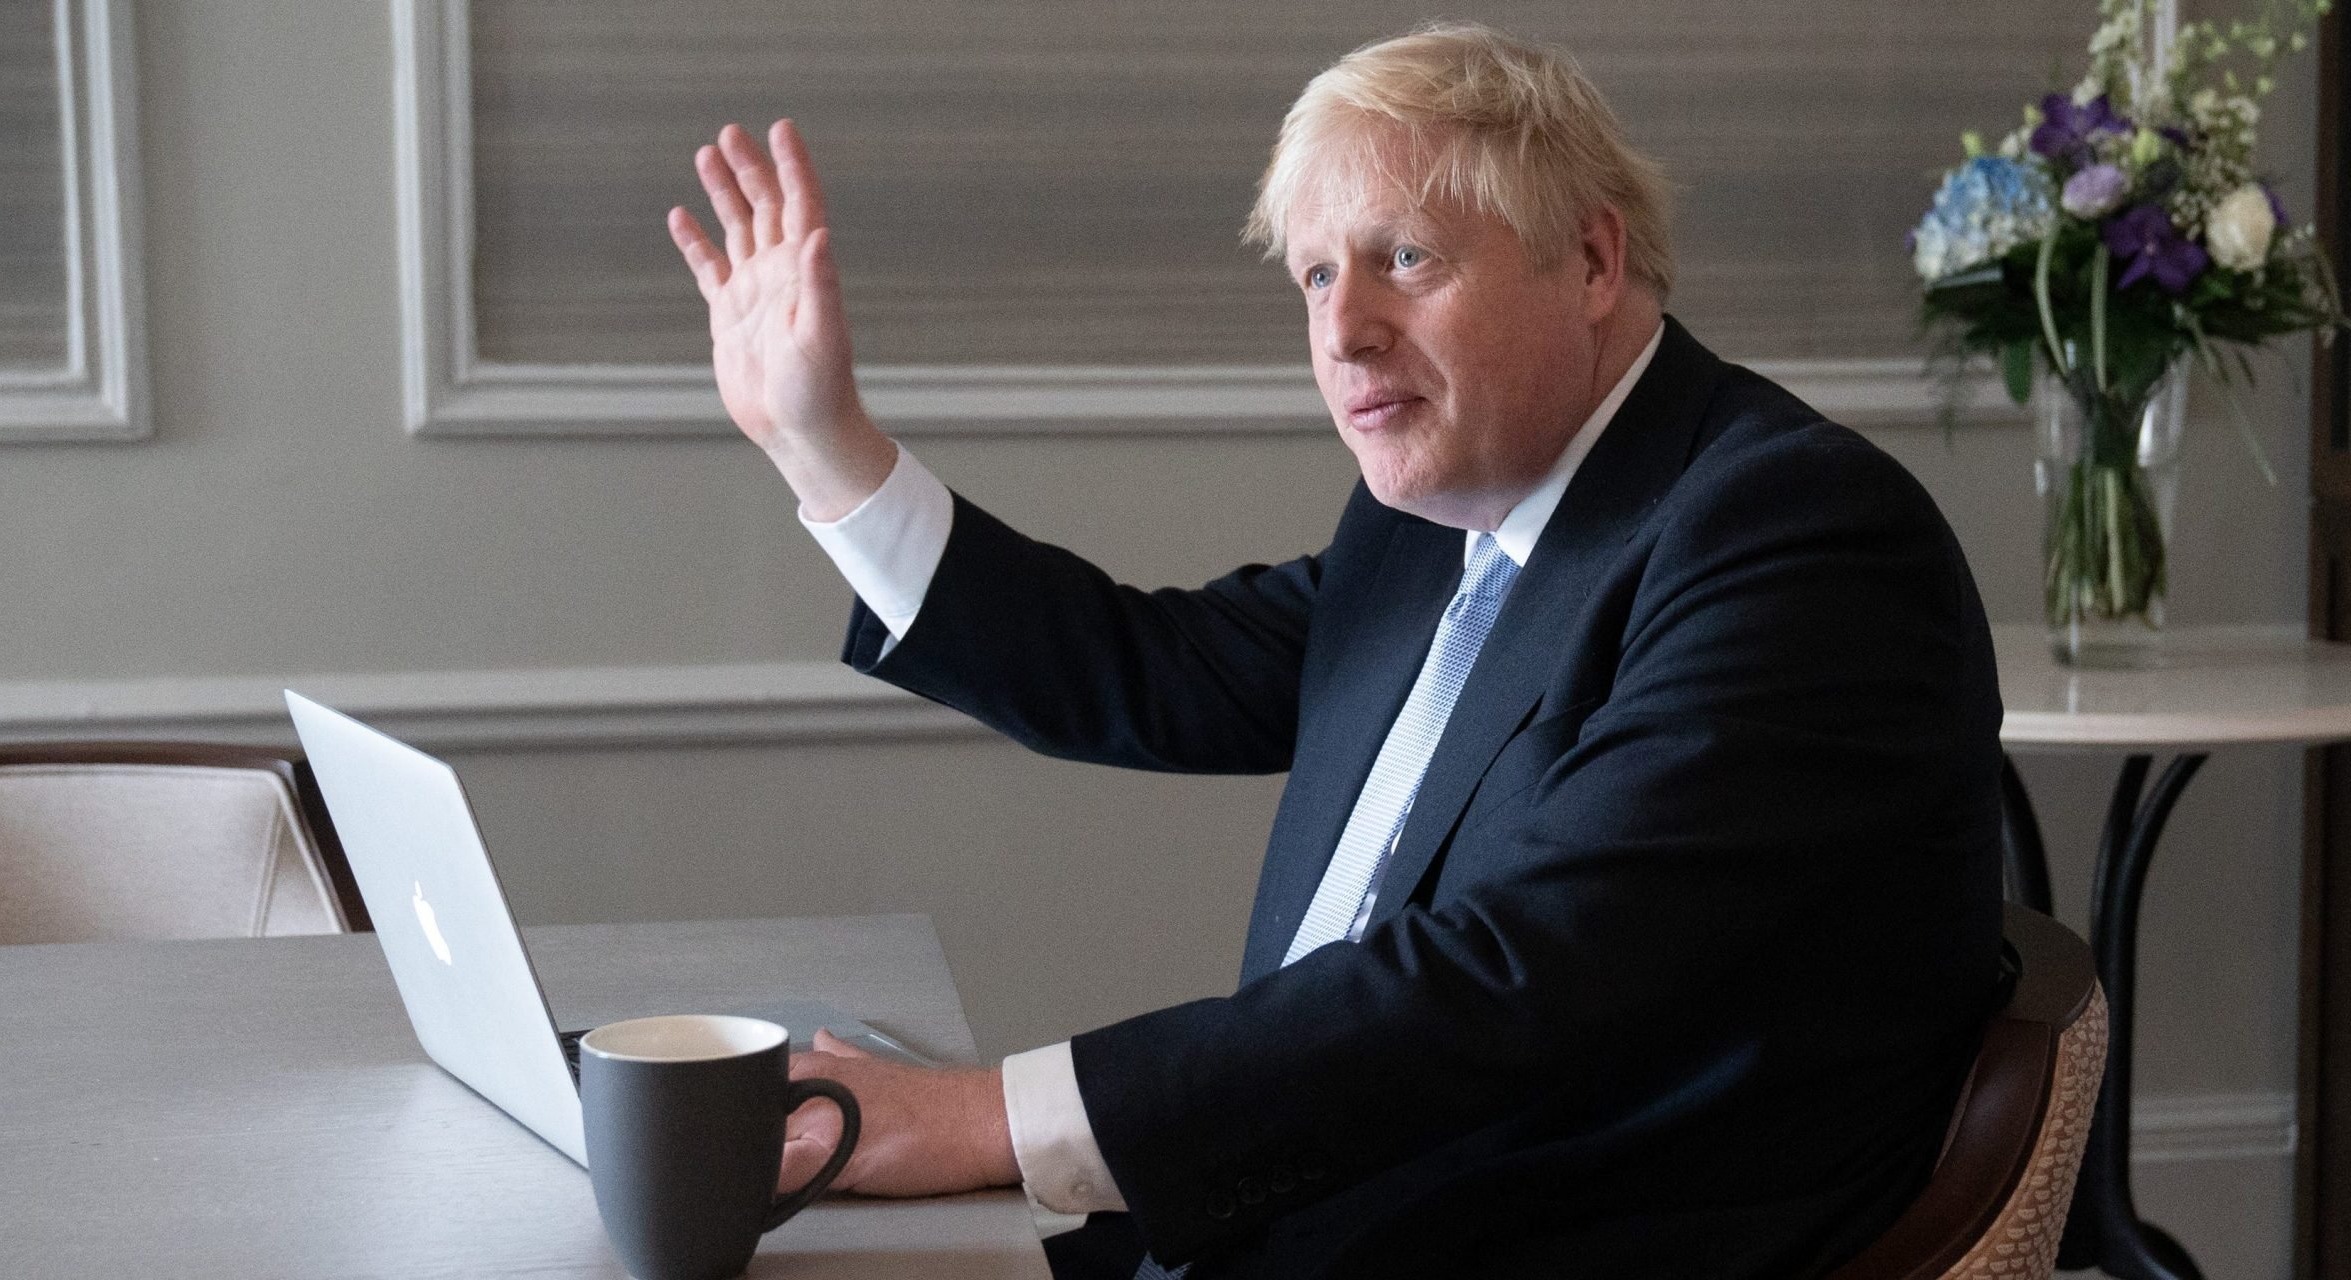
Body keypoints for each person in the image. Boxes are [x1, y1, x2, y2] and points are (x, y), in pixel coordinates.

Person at [667, 22, 2004, 1280]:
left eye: (1404, 257)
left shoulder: (1797, 537)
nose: (1341, 328)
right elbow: (1152, 670)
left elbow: (1521, 975)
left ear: (1593, 262)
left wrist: (986, 1120)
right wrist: (822, 445)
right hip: (1326, 1203)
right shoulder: (1440, 517)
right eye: (1317, 273)